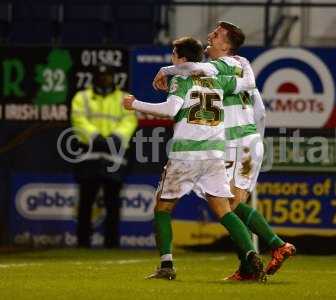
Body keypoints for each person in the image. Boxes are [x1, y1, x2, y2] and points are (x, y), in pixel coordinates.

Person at [153, 21, 295, 280]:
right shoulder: (242, 68)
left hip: (237, 143)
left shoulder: (222, 66)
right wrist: (256, 141)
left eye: (216, 35)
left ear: (226, 45)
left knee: (227, 206)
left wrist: (165, 69)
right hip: (245, 142)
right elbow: (260, 109)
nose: (210, 36)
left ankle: (272, 248)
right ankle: (255, 261)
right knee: (230, 205)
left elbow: (193, 68)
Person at [123, 36, 266, 282]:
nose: (171, 58)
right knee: (224, 211)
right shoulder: (217, 80)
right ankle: (251, 254)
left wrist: (134, 104)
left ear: (181, 59)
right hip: (214, 154)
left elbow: (170, 109)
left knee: (162, 208)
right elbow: (247, 86)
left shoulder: (181, 78)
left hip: (186, 154)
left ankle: (166, 265)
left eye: (173, 54)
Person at [71, 63, 137, 248]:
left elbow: (129, 120)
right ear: (93, 78)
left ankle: (112, 243)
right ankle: (82, 243)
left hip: (113, 156)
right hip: (89, 156)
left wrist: (116, 137)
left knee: (112, 203)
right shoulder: (81, 97)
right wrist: (95, 137)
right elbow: (78, 120)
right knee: (86, 202)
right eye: (100, 76)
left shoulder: (124, 98)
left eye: (108, 75)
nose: (104, 78)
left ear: (114, 78)